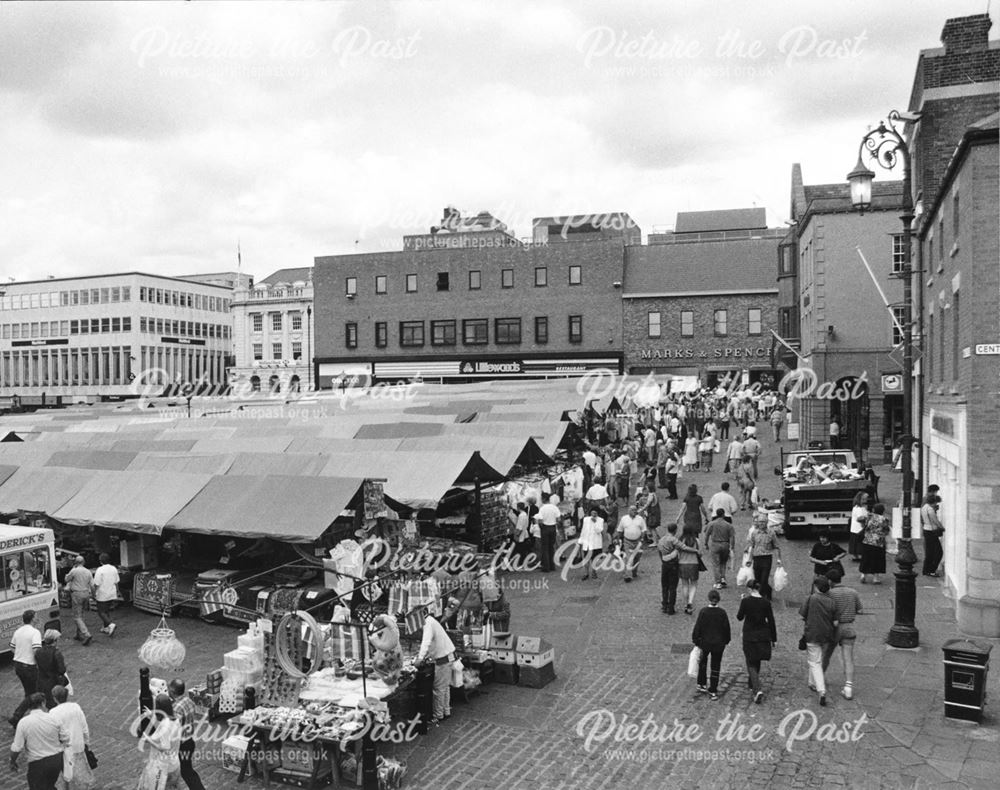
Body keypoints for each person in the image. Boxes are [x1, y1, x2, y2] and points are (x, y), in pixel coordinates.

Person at [10, 692, 67, 790]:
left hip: (37, 763)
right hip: (56, 760)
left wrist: (12, 761)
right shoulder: (53, 718)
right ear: (43, 703)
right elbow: (65, 738)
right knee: (50, 785)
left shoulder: (24, 723)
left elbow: (17, 748)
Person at [823, 568, 862, 701]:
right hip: (849, 627)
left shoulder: (829, 594)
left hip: (833, 628)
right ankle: (848, 687)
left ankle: (820, 678)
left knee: (826, 654)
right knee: (848, 658)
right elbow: (860, 610)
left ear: (829, 581)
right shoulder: (853, 592)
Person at [799, 576, 838, 707]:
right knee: (817, 659)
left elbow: (803, 615)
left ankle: (821, 691)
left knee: (815, 661)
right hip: (827, 635)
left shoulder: (811, 599)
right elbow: (835, 621)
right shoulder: (832, 601)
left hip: (812, 634)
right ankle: (812, 682)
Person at [736, 579, 777, 704]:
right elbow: (771, 621)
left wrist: (741, 601)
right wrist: (774, 638)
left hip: (749, 634)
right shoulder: (766, 602)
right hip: (763, 634)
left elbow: (739, 617)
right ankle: (752, 683)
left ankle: (756, 688)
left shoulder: (746, 601)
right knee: (757, 659)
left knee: (750, 662)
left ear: (749, 589)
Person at [49, 684, 94, 790]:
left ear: (55, 698)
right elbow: (84, 727)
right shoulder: (76, 707)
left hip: (63, 749)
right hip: (78, 745)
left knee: (66, 776)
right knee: (80, 775)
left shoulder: (53, 713)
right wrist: (86, 742)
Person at [415, 610, 457, 724]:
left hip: (443, 658)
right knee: (444, 687)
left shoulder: (428, 623)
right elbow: (431, 643)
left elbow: (426, 642)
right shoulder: (431, 621)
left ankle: (438, 715)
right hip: (447, 656)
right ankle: (445, 711)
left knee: (439, 689)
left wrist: (420, 658)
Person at [692, 590, 731, 700]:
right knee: (716, 665)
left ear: (709, 598)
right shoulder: (722, 613)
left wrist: (696, 640)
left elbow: (698, 627)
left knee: (703, 663)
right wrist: (726, 640)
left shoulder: (704, 612)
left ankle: (702, 683)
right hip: (718, 644)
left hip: (705, 643)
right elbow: (726, 629)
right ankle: (713, 689)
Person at [137, 694, 181, 790]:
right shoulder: (175, 720)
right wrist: (151, 716)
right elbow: (163, 732)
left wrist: (148, 739)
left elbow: (164, 747)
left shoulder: (165, 725)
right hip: (175, 763)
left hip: (163, 768)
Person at [168, 680, 205, 790]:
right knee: (187, 770)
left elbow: (175, 726)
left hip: (182, 745)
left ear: (173, 691)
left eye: (169, 688)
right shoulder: (188, 700)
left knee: (187, 772)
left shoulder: (176, 708)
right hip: (189, 741)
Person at [9, 610, 43, 727]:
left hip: (18, 665)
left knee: (29, 692)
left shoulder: (18, 631)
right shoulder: (35, 632)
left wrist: (21, 654)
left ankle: (26, 716)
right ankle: (17, 716)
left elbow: (12, 647)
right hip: (29, 666)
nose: (37, 618)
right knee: (33, 693)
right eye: (36, 616)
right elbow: (36, 650)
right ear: (33, 619)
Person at [744, 518, 782, 601]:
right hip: (757, 558)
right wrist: (749, 559)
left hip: (766, 558)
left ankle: (760, 598)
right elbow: (752, 546)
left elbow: (777, 546)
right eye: (760, 522)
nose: (761, 523)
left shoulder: (771, 533)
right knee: (758, 579)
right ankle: (768, 590)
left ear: (766, 523)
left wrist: (779, 559)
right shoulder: (754, 533)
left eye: (763, 522)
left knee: (764, 579)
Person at [63, 557, 93, 647]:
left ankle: (86, 634)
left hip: (77, 594)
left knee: (77, 616)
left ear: (75, 563)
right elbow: (92, 585)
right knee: (81, 614)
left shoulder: (74, 571)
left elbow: (66, 580)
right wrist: (94, 595)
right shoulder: (88, 571)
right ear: (83, 562)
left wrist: (66, 575)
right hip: (86, 594)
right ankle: (78, 634)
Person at [34, 631, 67, 712]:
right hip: (54, 681)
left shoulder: (38, 651)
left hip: (42, 681)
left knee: (47, 703)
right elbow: (61, 670)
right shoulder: (56, 653)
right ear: (55, 640)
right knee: (55, 704)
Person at [703, 509, 735, 590]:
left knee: (716, 564)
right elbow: (732, 537)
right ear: (723, 514)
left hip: (715, 544)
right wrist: (732, 547)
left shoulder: (712, 524)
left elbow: (706, 535)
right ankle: (723, 578)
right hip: (725, 544)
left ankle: (718, 582)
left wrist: (706, 544)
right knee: (723, 563)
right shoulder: (728, 525)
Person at [860, 503, 890, 584]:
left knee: (866, 558)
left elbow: (863, 524)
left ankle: (863, 575)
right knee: (877, 559)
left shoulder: (869, 517)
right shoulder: (884, 519)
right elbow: (886, 530)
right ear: (882, 511)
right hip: (878, 542)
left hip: (867, 540)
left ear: (874, 510)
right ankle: (875, 578)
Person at [616, 505, 646, 582]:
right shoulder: (624, 519)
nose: (634, 511)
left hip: (638, 542)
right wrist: (618, 540)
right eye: (632, 510)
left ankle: (634, 572)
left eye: (635, 510)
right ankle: (627, 576)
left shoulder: (640, 519)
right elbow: (620, 530)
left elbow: (643, 530)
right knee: (629, 558)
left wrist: (642, 539)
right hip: (627, 541)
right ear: (629, 511)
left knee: (637, 558)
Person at [657, 524, 682, 614]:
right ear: (675, 530)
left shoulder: (661, 540)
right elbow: (680, 548)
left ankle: (664, 605)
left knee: (664, 585)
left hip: (665, 563)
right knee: (672, 586)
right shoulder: (674, 540)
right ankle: (671, 607)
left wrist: (662, 560)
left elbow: (659, 551)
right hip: (673, 564)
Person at [92, 554, 120, 636]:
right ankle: (105, 628)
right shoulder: (114, 568)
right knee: (106, 610)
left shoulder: (100, 570)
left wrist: (93, 593)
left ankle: (110, 624)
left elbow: (96, 583)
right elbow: (117, 581)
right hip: (112, 592)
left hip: (102, 593)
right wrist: (117, 591)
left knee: (101, 612)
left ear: (100, 561)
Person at [678, 529, 701, 615]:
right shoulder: (696, 541)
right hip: (694, 563)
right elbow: (700, 553)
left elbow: (678, 552)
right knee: (694, 584)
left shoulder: (680, 540)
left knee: (684, 585)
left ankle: (685, 603)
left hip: (682, 563)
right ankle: (690, 602)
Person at [921, 493, 945, 577]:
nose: (936, 504)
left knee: (929, 552)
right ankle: (931, 570)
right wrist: (942, 527)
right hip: (931, 531)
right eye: (936, 502)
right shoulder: (930, 509)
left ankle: (926, 570)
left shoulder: (924, 507)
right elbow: (935, 520)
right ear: (933, 502)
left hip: (926, 530)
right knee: (938, 552)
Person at [577, 508, 605, 581]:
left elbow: (599, 530)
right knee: (586, 559)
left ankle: (594, 572)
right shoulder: (586, 519)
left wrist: (595, 523)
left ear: (597, 513)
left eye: (595, 513)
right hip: (587, 542)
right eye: (592, 513)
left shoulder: (600, 520)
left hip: (596, 543)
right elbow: (583, 530)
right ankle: (586, 573)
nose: (593, 515)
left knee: (594, 559)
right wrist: (580, 540)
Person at [535, 495, 561, 573]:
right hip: (553, 527)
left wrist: (542, 528)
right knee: (551, 547)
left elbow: (540, 521)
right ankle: (552, 565)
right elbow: (558, 519)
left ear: (543, 499)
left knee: (545, 548)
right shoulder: (554, 508)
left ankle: (546, 567)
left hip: (545, 528)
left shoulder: (542, 508)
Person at [848, 492, 870, 562]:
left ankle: (857, 556)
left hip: (857, 529)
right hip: (859, 529)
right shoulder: (858, 508)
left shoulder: (861, 507)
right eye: (864, 499)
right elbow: (860, 518)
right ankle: (859, 556)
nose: (866, 500)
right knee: (859, 543)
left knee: (856, 543)